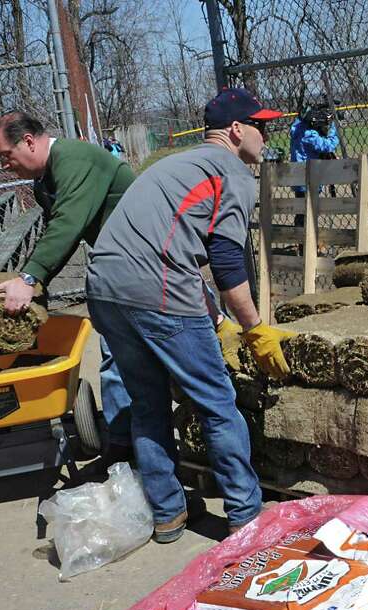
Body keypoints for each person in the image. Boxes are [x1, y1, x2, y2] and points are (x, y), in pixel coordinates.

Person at [84, 87, 291, 543]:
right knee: (217, 404)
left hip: (103, 291)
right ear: (236, 130)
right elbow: (226, 262)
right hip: (154, 291)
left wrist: (217, 321)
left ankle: (168, 514)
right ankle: (245, 515)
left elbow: (171, 244)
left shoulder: (176, 165)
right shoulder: (231, 171)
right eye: (261, 125)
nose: (266, 134)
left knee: (148, 403)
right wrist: (255, 330)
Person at [0, 111, 135, 461]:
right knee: (116, 354)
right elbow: (59, 233)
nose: (5, 166)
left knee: (131, 353)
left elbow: (69, 223)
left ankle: (130, 443)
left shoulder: (73, 159)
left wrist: (30, 278)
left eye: (6, 155)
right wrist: (32, 281)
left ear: (28, 141)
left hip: (145, 261)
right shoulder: (44, 181)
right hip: (119, 263)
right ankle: (124, 443)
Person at [288, 102, 340, 231]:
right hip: (308, 178)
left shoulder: (297, 128)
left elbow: (297, 123)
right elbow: (328, 145)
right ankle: (306, 242)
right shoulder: (308, 134)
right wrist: (335, 127)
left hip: (298, 178)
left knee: (302, 212)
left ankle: (302, 242)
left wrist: (308, 113)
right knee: (308, 212)